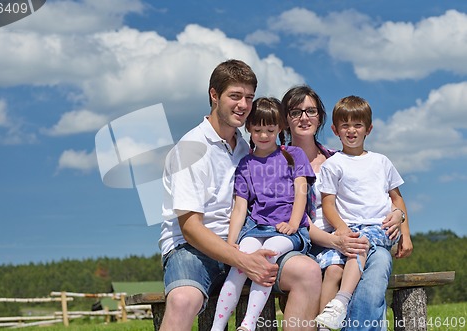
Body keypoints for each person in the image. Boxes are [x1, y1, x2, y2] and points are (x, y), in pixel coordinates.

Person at [158, 60, 323, 331]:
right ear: (214, 95)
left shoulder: (247, 147)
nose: (243, 105)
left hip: (252, 240)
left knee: (308, 272)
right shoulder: (190, 149)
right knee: (182, 300)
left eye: (249, 97)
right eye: (235, 96)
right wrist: (242, 259)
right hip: (195, 250)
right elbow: (190, 229)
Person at [281, 86, 413, 331]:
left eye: (310, 111)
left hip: (356, 237)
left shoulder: (335, 157)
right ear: (284, 119)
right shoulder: (278, 163)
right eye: (295, 111)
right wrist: (337, 239)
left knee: (379, 262)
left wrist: (399, 216)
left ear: (320, 117)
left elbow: (386, 197)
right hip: (316, 243)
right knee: (353, 265)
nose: (304, 117)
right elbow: (295, 220)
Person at [211, 97, 315, 331]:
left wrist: (293, 223)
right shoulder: (246, 165)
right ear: (248, 128)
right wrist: (230, 244)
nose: (264, 135)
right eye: (257, 130)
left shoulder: (293, 155)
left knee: (267, 258)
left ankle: (247, 325)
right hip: (256, 227)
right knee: (242, 263)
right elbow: (240, 207)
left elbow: (301, 193)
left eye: (270, 129)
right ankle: (217, 327)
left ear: (280, 128)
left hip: (288, 231)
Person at [313, 95, 407, 329]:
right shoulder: (333, 164)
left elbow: (397, 199)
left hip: (380, 228)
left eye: (357, 125)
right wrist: (342, 229)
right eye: (345, 125)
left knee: (362, 244)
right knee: (343, 268)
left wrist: (406, 232)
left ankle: (340, 302)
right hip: (350, 230)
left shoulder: (381, 161)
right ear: (335, 130)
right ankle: (330, 318)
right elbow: (328, 205)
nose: (351, 130)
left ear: (369, 129)